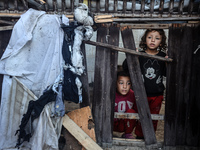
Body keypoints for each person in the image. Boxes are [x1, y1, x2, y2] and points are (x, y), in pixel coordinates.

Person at [122, 29, 167, 139]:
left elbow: (166, 73)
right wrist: (133, 57)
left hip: (157, 94)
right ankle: (134, 134)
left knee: (153, 117)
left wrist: (167, 63)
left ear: (161, 42)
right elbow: (126, 68)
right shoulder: (140, 55)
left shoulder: (162, 56)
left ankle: (147, 136)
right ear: (145, 40)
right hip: (140, 93)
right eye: (149, 37)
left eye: (157, 38)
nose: (152, 40)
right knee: (139, 115)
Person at [113, 71, 137, 139]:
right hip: (112, 124)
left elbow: (137, 112)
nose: (125, 86)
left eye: (128, 83)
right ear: (115, 83)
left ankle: (127, 134)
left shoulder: (133, 95)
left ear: (131, 84)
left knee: (132, 112)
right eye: (121, 83)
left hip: (125, 125)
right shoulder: (111, 94)